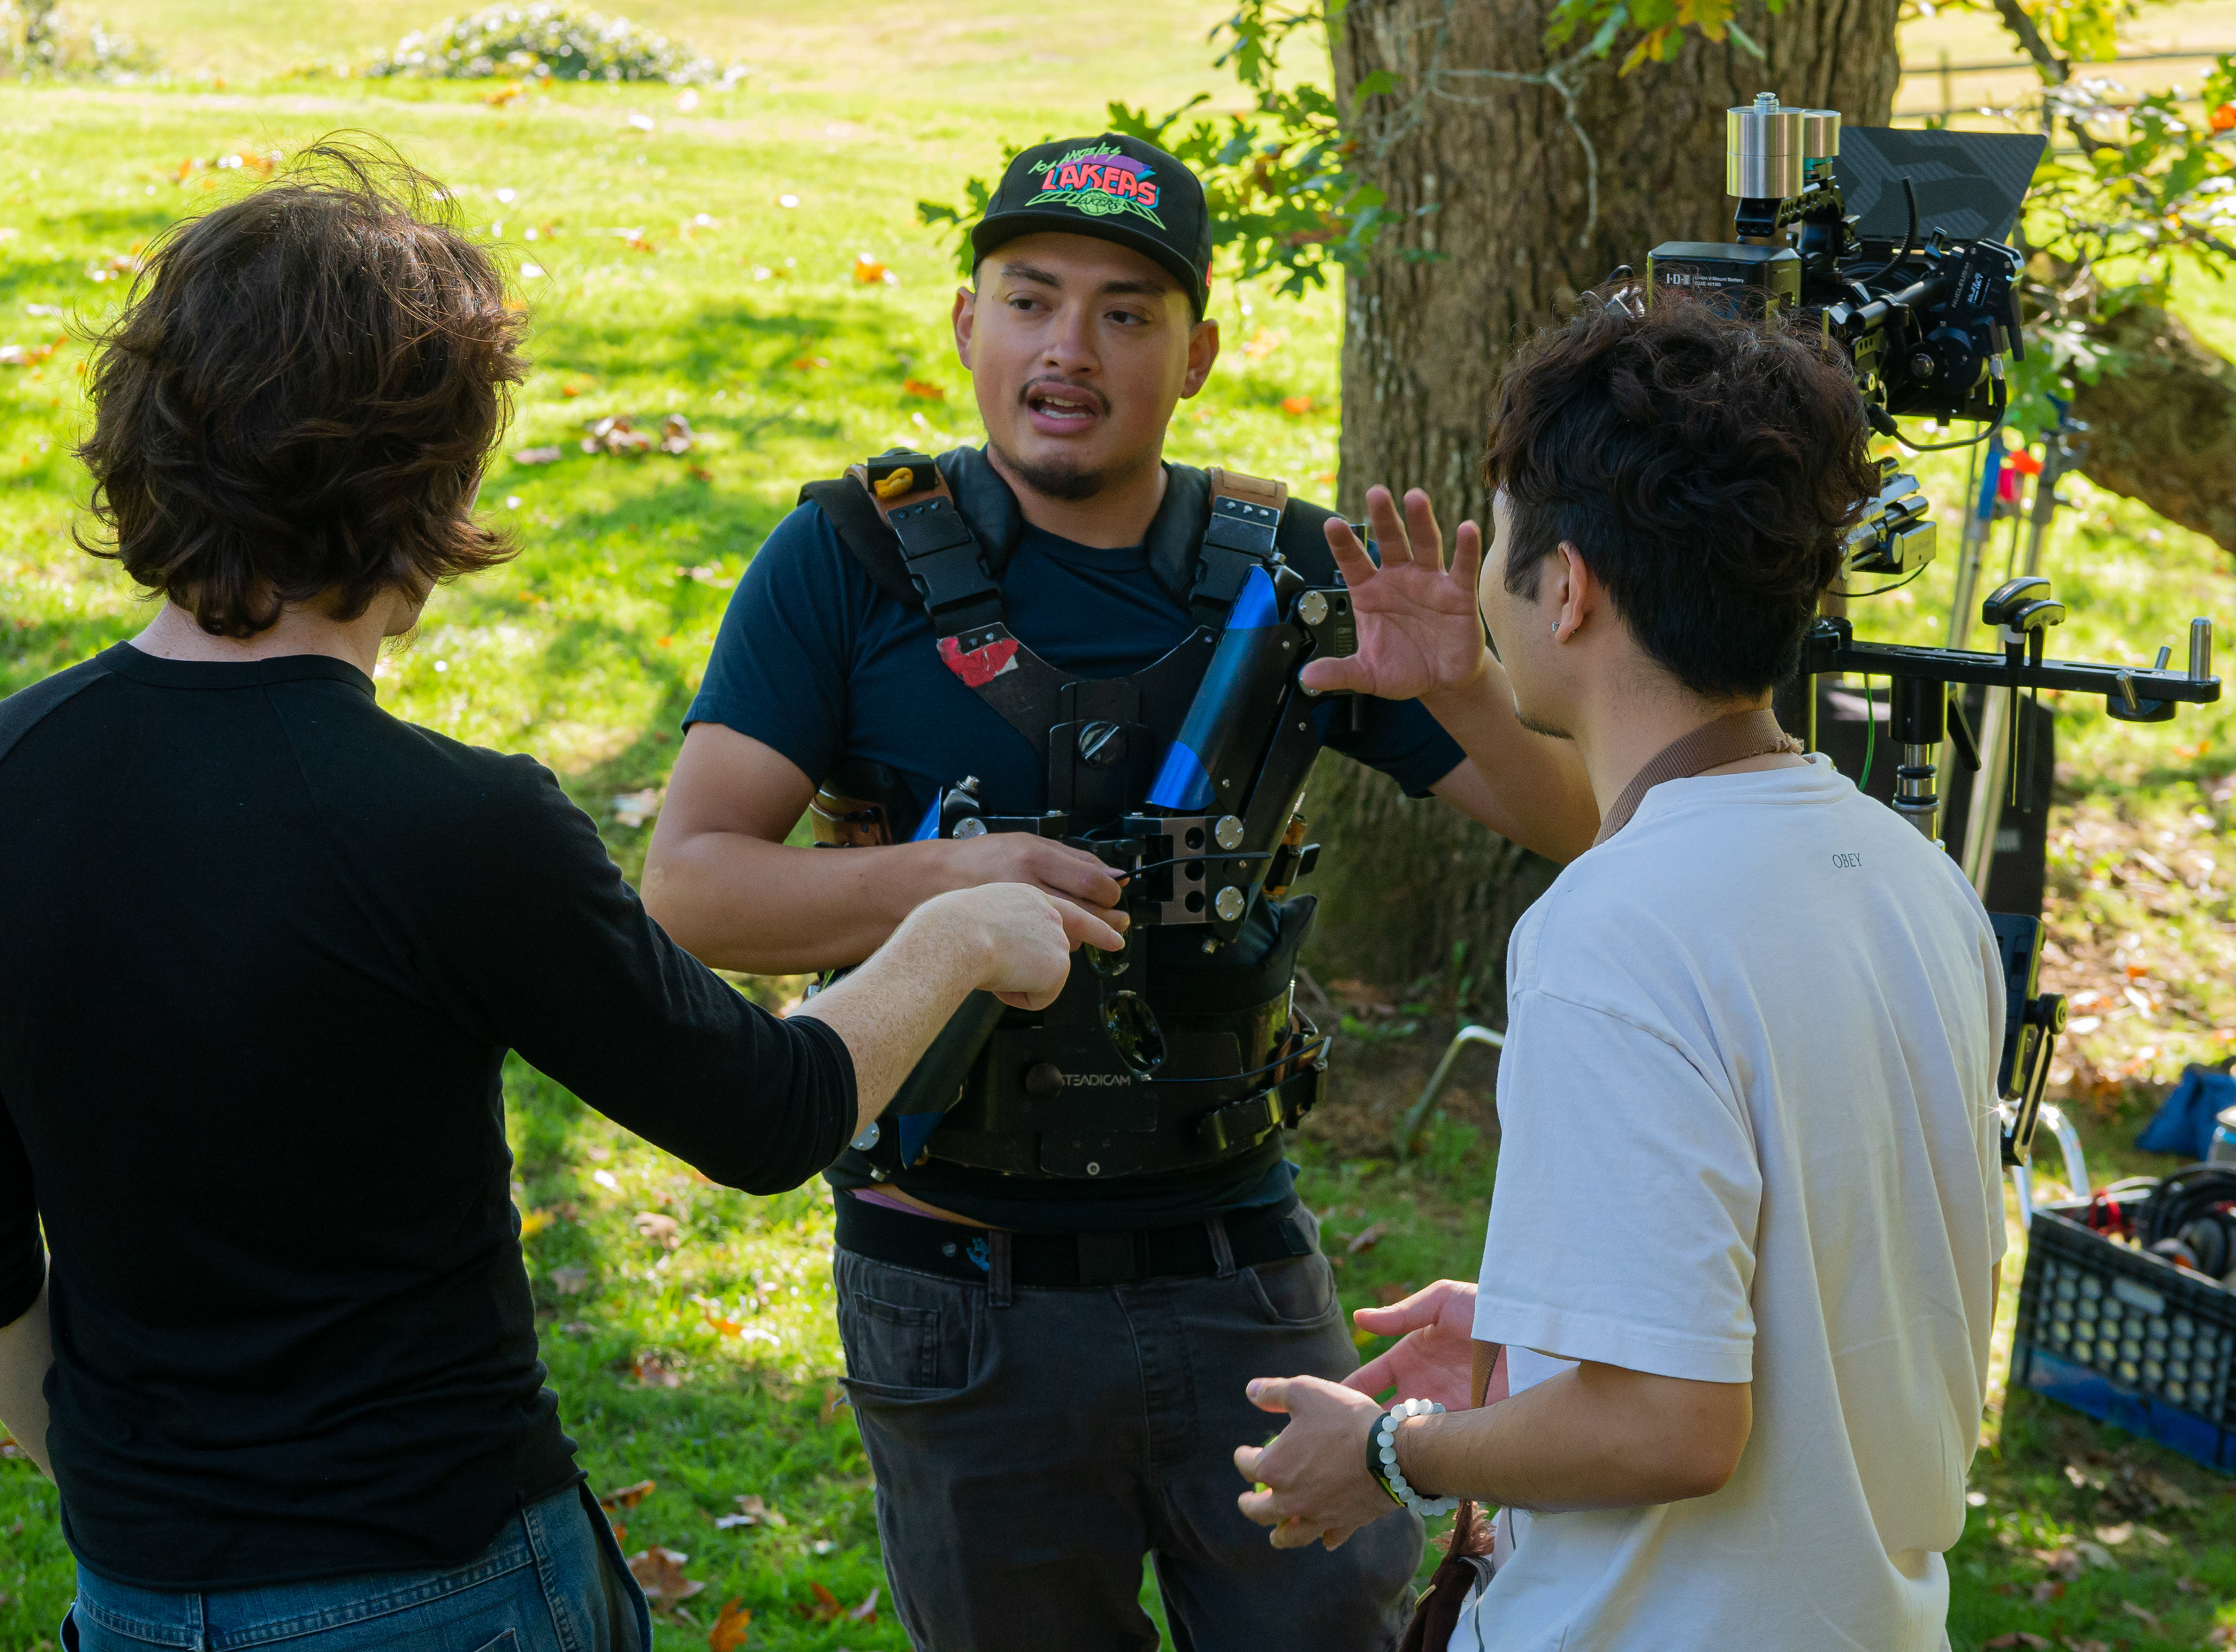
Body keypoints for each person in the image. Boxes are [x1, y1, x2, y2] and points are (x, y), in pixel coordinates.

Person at [0, 143, 1116, 1652]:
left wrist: (144, 1514)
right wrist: (956, 932)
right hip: (448, 1583)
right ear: (435, 474)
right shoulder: (460, 827)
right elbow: (768, 1114)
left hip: (134, 1598)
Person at [640, 133, 1598, 1649]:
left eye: (1126, 313)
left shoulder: (1291, 573)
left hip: (1237, 1256)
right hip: (951, 1273)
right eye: (1031, 301)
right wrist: (959, 880)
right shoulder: (847, 560)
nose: (1068, 350)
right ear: (969, 324)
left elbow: (1585, 824)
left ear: (1198, 354)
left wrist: (1466, 688)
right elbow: (693, 886)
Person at [1232, 291, 2008, 1651]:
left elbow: (1668, 1425)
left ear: (1569, 586)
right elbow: (1834, 1282)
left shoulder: (1612, 931)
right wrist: (1543, 1325)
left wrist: (1392, 1451)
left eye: (1501, 541)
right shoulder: (1911, 875)